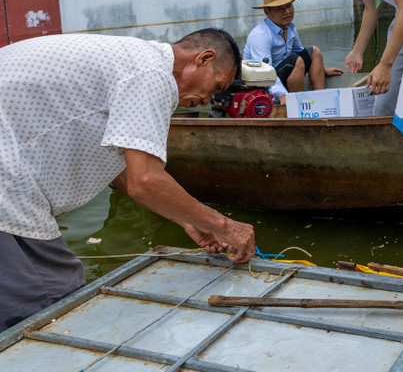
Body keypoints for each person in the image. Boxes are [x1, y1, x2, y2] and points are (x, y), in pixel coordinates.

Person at [0, 29, 257, 330]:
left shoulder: (133, 60)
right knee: (52, 297)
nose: (206, 100)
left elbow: (121, 168)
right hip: (8, 185)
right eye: (216, 87)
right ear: (204, 59)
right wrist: (224, 226)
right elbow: (144, 181)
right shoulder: (151, 74)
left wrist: (189, 220)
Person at [245, 0, 342, 103]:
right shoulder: (260, 36)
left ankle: (321, 99)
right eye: (279, 8)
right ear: (267, 12)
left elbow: (300, 51)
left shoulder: (290, 27)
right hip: (263, 83)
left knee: (314, 52)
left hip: (284, 73)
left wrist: (323, 70)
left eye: (289, 6)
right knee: (296, 61)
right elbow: (263, 73)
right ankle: (297, 104)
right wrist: (281, 95)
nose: (287, 12)